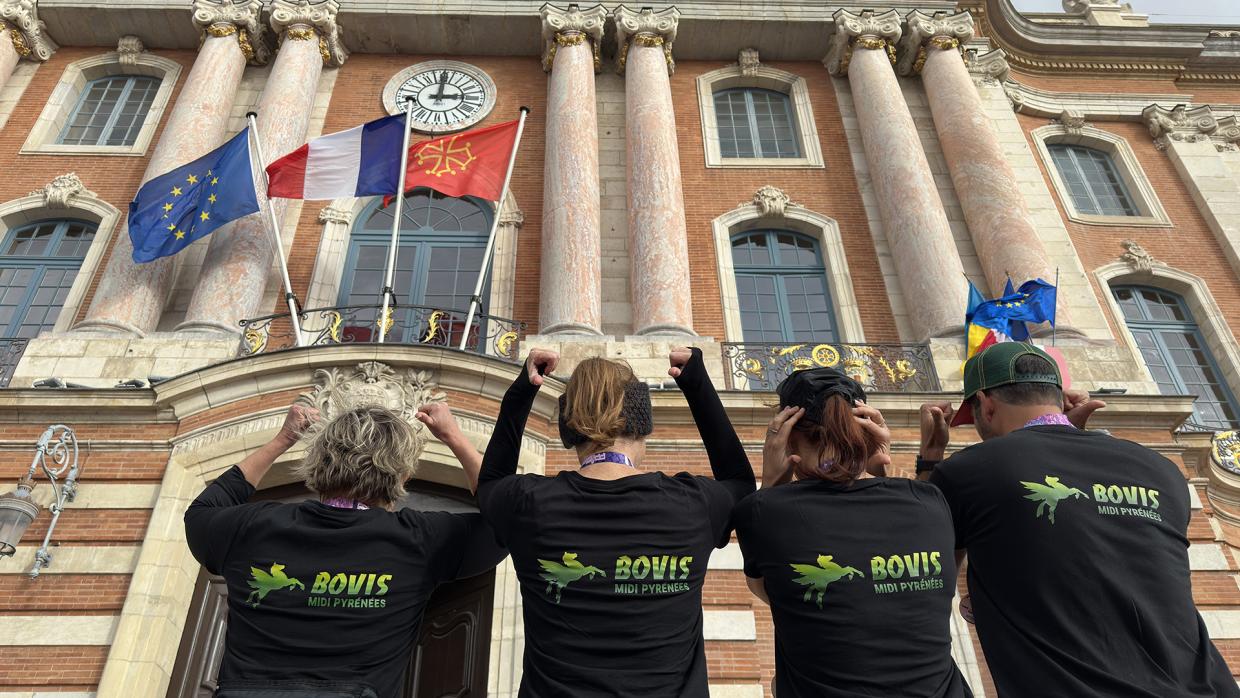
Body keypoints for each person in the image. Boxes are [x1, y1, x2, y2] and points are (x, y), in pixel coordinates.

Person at [918, 341, 1238, 697]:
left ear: (987, 406)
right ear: (1060, 397)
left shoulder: (970, 471)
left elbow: (921, 574)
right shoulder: (1162, 471)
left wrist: (930, 459)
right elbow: (1104, 557)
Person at [475, 346, 756, 697]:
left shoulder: (528, 504)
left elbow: (489, 483)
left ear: (567, 427)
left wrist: (522, 391)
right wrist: (697, 386)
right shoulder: (693, 504)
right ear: (642, 421)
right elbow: (741, 483)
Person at [184, 400, 504, 698]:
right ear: (403, 475)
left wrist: (281, 440)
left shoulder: (251, 527)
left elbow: (202, 510)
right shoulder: (420, 539)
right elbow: (506, 522)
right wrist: (455, 438)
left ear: (316, 463)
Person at [733, 366, 973, 698]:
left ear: (787, 439)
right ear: (869, 433)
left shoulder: (764, 514)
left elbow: (773, 593)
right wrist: (881, 470)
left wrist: (771, 484)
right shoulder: (931, 501)